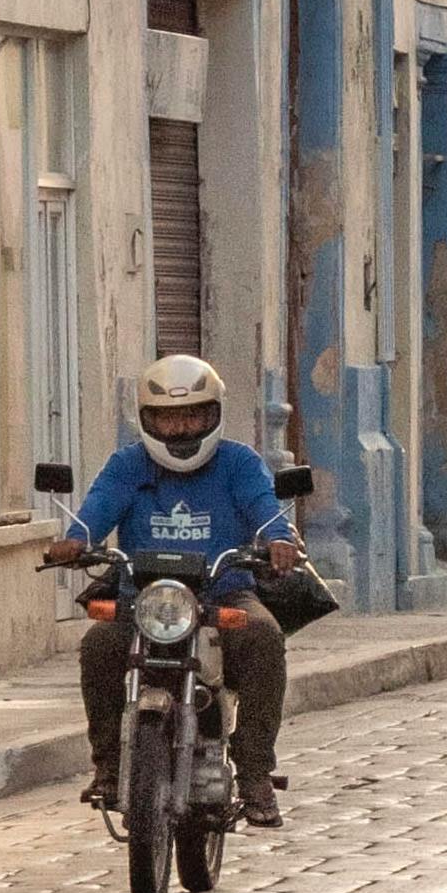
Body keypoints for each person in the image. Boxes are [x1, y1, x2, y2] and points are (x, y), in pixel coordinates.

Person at [47, 354, 303, 829]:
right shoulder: (128, 465)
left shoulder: (238, 463)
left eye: (191, 415)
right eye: (167, 417)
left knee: (265, 636)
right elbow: (98, 507)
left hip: (224, 595)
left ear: (212, 415)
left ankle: (254, 772)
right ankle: (107, 764)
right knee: (99, 645)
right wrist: (76, 540)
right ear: (148, 419)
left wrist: (279, 540)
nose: (180, 428)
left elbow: (263, 507)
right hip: (141, 601)